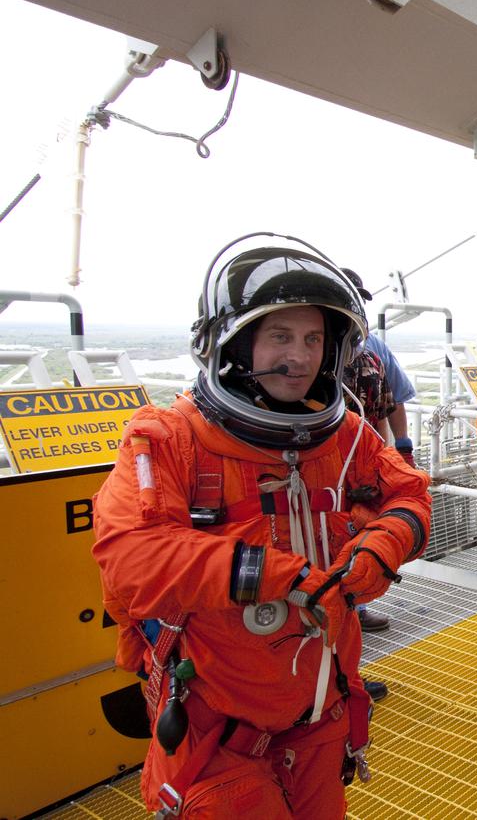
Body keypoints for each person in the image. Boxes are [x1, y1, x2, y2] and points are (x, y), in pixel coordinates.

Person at [92, 237, 432, 818]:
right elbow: (130, 558)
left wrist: (380, 549)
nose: (298, 357)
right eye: (280, 336)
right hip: (218, 731)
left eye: (312, 339)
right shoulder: (169, 438)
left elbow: (411, 495)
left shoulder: (346, 437)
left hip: (320, 716)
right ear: (233, 343)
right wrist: (282, 575)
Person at [340, 267, 420, 635]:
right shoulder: (318, 353)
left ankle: (357, 606)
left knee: (364, 534)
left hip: (367, 462)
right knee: (331, 543)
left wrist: (400, 450)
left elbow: (393, 401)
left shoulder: (373, 350)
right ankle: (344, 618)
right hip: (326, 469)